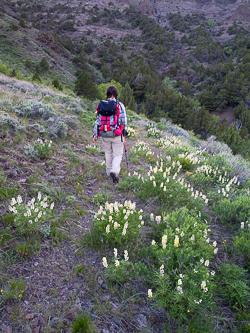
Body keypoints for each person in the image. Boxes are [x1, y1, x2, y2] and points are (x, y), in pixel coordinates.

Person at [93, 85, 127, 184]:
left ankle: (108, 173)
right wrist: (124, 130)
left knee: (108, 153)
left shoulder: (101, 104)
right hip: (116, 133)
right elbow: (123, 120)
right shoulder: (119, 105)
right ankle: (114, 171)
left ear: (107, 94)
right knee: (117, 154)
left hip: (104, 133)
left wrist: (95, 134)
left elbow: (98, 120)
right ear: (116, 94)